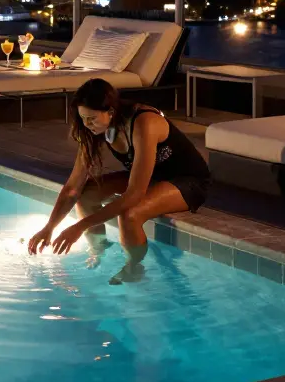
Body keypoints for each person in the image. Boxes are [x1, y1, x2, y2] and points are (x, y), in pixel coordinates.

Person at [27, 78, 211, 283]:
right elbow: (72, 188)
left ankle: (134, 267)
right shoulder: (95, 128)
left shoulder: (144, 123)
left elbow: (134, 195)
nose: (87, 125)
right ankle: (99, 248)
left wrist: (78, 227)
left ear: (111, 112)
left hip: (187, 180)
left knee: (130, 214)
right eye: (83, 119)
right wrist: (49, 228)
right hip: (150, 176)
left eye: (92, 119)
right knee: (86, 195)